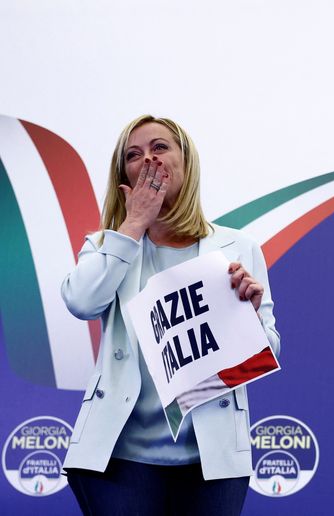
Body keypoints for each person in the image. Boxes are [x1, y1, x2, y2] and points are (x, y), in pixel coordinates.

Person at [60, 115, 280, 515]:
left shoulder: (239, 246)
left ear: (186, 161)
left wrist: (247, 319)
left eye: (159, 147)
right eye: (134, 154)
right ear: (123, 173)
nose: (148, 159)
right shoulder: (106, 245)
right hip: (118, 460)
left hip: (211, 462)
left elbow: (267, 348)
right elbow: (81, 301)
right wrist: (132, 226)